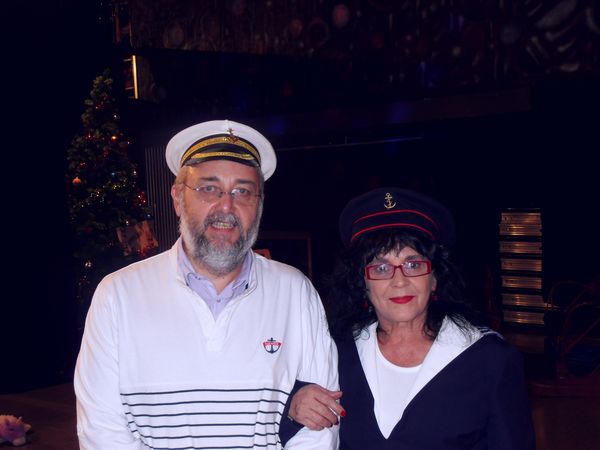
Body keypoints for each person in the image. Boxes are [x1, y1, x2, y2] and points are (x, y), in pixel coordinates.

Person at [74, 119, 339, 449]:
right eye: (209, 189)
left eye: (242, 191)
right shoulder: (118, 295)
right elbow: (101, 429)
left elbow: (321, 427)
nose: (226, 206)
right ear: (177, 198)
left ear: (259, 205)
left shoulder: (295, 292)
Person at [285, 187, 535, 449]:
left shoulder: (491, 359)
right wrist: (293, 407)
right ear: (363, 283)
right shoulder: (335, 352)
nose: (399, 281)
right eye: (381, 268)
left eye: (413, 264)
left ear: (435, 278)